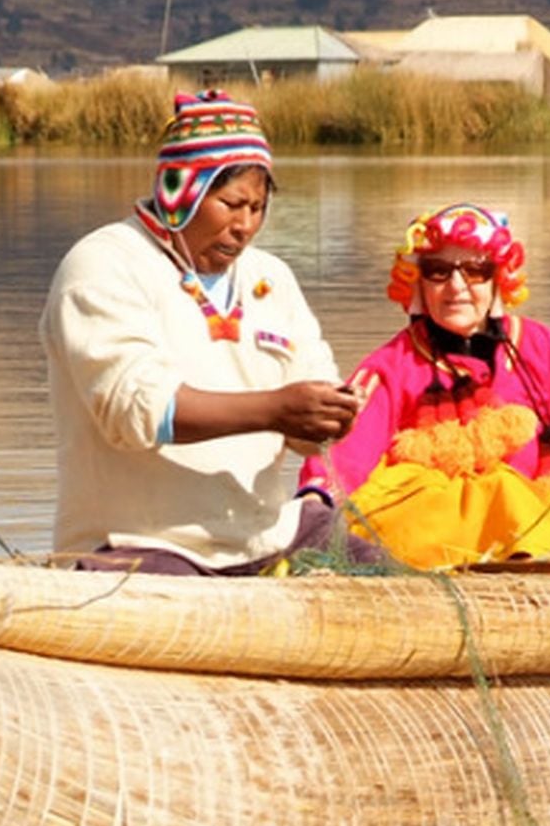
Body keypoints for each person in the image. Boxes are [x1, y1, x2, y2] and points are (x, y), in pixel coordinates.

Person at [41, 89, 366, 575]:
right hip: (141, 545)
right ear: (179, 191)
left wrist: (329, 417)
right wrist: (278, 409)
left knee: (372, 567)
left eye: (257, 207)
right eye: (231, 203)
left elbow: (307, 422)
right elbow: (137, 412)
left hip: (268, 537)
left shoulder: (271, 278)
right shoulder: (103, 265)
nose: (245, 226)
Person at [298, 203, 550, 569]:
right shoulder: (391, 365)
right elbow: (344, 452)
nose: (456, 287)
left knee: (511, 492)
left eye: (475, 271)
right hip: (437, 543)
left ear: (499, 278)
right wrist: (317, 508)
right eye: (438, 271)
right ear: (418, 281)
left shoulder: (540, 349)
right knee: (497, 490)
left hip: (540, 538)